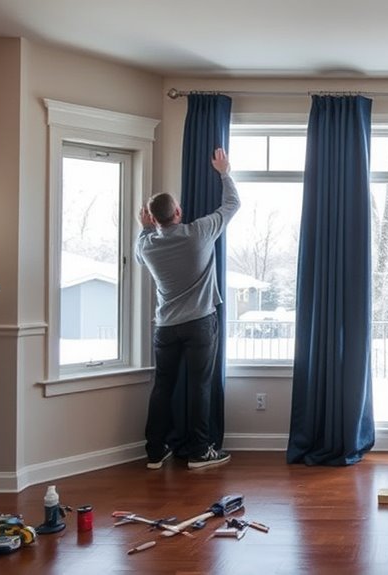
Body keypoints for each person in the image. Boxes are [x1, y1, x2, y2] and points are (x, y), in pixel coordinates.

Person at [136, 147, 240, 470]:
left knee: (162, 387)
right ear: (178, 212)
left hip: (165, 327)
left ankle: (155, 452)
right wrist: (224, 172)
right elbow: (232, 205)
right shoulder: (199, 233)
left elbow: (139, 252)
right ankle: (199, 452)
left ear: (153, 218)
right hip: (199, 323)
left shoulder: (147, 245)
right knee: (199, 387)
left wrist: (145, 228)